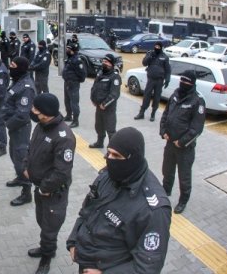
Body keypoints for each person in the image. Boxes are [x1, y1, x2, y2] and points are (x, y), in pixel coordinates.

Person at [67, 127, 172, 273]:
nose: (109, 160)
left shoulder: (154, 210)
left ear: (133, 158)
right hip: (86, 261)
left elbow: (147, 267)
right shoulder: (107, 175)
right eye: (108, 153)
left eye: (116, 156)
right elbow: (86, 211)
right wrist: (73, 241)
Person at [24, 93, 76, 274]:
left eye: (36, 109)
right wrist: (26, 167)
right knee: (41, 220)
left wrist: (45, 188)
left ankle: (47, 256)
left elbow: (62, 171)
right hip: (40, 188)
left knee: (50, 226)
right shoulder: (40, 126)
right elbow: (31, 148)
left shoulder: (64, 137)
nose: (32, 111)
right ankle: (45, 247)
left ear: (45, 113)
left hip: (53, 192)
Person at [159, 70, 205, 214]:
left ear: (192, 84)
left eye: (186, 82)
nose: (183, 84)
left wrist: (182, 142)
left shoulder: (197, 101)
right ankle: (165, 191)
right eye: (182, 80)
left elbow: (197, 129)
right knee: (167, 170)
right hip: (170, 144)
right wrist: (163, 131)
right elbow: (166, 114)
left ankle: (183, 200)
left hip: (185, 148)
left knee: (184, 176)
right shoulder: (175, 95)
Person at [2, 56, 36, 206]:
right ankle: (19, 176)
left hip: (20, 128)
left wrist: (8, 124)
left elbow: (22, 114)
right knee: (14, 155)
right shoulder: (17, 80)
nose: (10, 67)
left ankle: (26, 192)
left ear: (21, 68)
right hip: (14, 127)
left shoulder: (26, 87)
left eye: (13, 65)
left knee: (21, 158)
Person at [89, 53, 121, 149]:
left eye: (106, 62)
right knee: (99, 127)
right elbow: (94, 87)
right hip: (98, 107)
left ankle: (111, 149)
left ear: (111, 64)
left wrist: (104, 104)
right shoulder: (100, 73)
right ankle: (100, 142)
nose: (104, 63)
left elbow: (115, 94)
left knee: (110, 130)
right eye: (103, 61)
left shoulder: (115, 77)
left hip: (108, 109)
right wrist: (93, 99)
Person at [135, 41, 171, 121]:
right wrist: (150, 57)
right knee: (146, 96)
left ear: (161, 48)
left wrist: (168, 79)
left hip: (159, 80)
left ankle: (153, 114)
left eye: (158, 47)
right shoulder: (150, 54)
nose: (157, 48)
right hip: (150, 79)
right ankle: (141, 113)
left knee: (157, 98)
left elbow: (168, 70)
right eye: (156, 46)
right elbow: (144, 63)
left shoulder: (164, 57)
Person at [62, 42, 86, 128]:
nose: (67, 50)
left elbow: (82, 74)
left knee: (74, 103)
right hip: (67, 82)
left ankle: (76, 120)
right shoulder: (70, 58)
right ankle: (69, 116)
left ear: (73, 51)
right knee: (67, 100)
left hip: (73, 84)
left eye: (68, 49)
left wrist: (76, 81)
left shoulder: (77, 60)